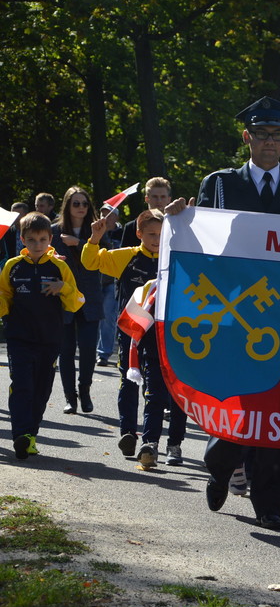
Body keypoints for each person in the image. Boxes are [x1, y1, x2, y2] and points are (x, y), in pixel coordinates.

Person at [167, 96, 280, 531]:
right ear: (246, 137)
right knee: (239, 401)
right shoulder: (218, 183)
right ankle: (221, 462)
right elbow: (201, 245)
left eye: (276, 135)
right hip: (233, 315)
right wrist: (182, 219)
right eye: (261, 134)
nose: (268, 142)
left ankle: (269, 502)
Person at [81, 210, 188, 467]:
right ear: (139, 233)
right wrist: (94, 239)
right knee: (128, 382)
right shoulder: (127, 256)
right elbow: (90, 262)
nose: (156, 239)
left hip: (161, 336)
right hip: (131, 332)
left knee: (155, 390)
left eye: (162, 235)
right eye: (151, 234)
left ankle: (149, 443)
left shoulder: (173, 259)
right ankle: (128, 432)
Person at [0, 212, 85, 459]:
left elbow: (77, 301)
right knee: (22, 386)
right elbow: (4, 295)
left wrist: (63, 288)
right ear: (23, 240)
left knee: (40, 390)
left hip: (49, 340)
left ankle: (31, 435)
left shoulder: (59, 266)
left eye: (42, 239)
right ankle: (20, 435)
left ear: (50, 239)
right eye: (31, 239)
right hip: (19, 338)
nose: (37, 244)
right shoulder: (12, 266)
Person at [53, 186, 103, 414]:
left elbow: (105, 255)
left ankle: (85, 390)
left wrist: (80, 243)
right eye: (76, 203)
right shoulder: (53, 231)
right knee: (66, 350)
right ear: (67, 206)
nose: (81, 207)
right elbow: (41, 254)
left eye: (84, 203)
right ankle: (70, 397)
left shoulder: (96, 229)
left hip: (90, 297)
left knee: (89, 349)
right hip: (63, 297)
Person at [95, 204, 123, 366]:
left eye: (110, 214)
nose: (106, 217)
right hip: (97, 279)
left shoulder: (123, 232)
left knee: (108, 316)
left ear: (116, 217)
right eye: (103, 214)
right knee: (95, 317)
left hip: (114, 280)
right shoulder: (96, 232)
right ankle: (93, 349)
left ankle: (104, 354)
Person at [120, 177, 171, 247]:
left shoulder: (175, 225)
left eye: (163, 197)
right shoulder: (131, 227)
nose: (159, 201)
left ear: (169, 199)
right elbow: (124, 256)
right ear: (147, 199)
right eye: (155, 197)